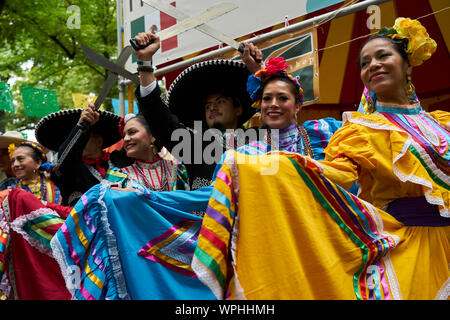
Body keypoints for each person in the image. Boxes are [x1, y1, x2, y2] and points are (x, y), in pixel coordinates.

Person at [191, 21, 449, 300]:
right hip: (313, 235)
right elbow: (336, 174)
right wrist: (253, 167)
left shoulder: (327, 131)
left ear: (298, 106)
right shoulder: (248, 150)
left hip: (342, 230)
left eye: (383, 56)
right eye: (266, 99)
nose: (273, 104)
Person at [133, 32, 261, 190]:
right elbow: (159, 117)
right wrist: (145, 64)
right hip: (206, 215)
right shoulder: (193, 146)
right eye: (207, 106)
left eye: (220, 101)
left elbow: (278, 108)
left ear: (239, 109)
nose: (212, 107)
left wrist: (258, 73)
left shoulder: (260, 140)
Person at [35, 103, 130, 206]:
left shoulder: (118, 159)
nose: (78, 142)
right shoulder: (69, 169)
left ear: (99, 140)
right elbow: (65, 159)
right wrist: (81, 127)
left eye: (85, 135)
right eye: (72, 138)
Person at [110, 113, 189, 191]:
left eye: (132, 132)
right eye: (124, 136)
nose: (126, 139)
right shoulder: (118, 176)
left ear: (152, 136)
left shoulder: (179, 169)